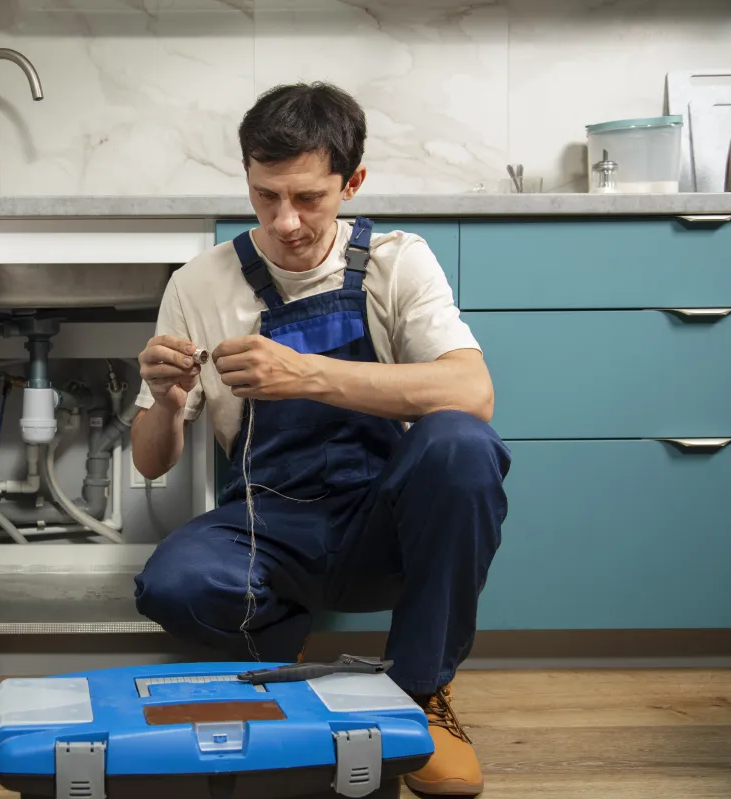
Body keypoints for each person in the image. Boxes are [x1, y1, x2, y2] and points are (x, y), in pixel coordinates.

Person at [128, 82, 511, 797]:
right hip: (266, 525)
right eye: (266, 195)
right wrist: (163, 398)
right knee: (171, 584)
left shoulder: (398, 262)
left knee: (461, 444)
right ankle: (287, 670)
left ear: (352, 182)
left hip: (385, 522)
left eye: (308, 197)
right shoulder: (198, 283)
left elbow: (473, 392)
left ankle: (419, 694)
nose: (286, 221)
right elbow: (153, 460)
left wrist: (304, 373)